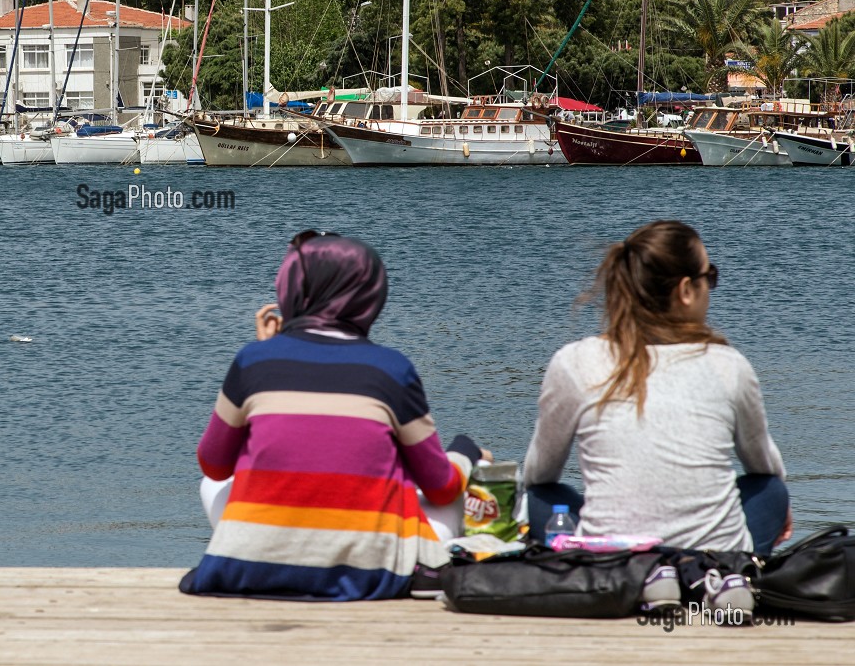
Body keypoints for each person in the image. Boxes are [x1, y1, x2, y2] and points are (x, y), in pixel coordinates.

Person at [180, 231, 485, 601]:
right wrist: (466, 454)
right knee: (456, 483)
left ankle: (266, 556)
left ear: (289, 287)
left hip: (253, 560)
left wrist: (270, 352)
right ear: (371, 295)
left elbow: (213, 465)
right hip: (371, 571)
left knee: (211, 485)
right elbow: (441, 486)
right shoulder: (390, 369)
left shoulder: (252, 361)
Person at [522, 220, 791, 555]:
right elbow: (765, 467)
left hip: (613, 565)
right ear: (686, 290)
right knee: (771, 491)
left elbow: (538, 473)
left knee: (539, 498)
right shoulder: (728, 365)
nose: (711, 288)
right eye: (710, 277)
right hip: (716, 564)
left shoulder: (574, 361)